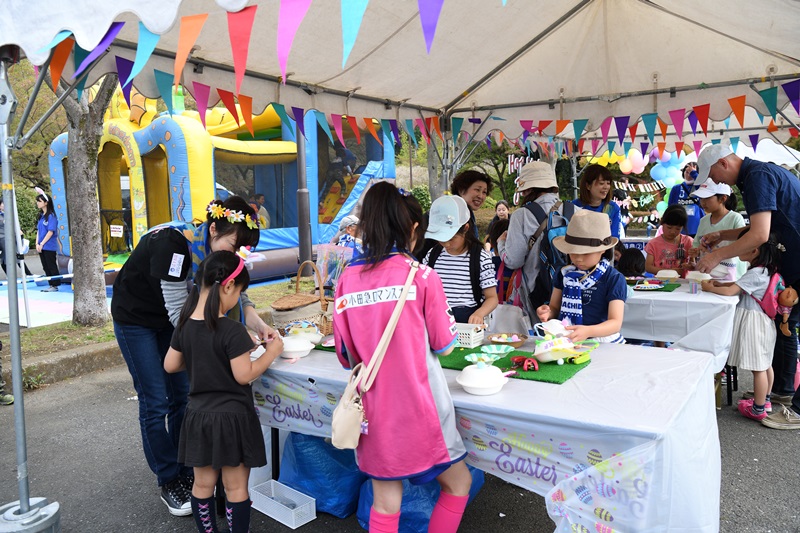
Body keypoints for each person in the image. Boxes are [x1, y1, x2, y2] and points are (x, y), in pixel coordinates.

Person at [111, 195, 279, 516]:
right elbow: (180, 315)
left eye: (241, 250)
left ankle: (189, 468)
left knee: (183, 396)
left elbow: (234, 292)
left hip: (174, 319)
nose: (235, 255)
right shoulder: (174, 246)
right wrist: (225, 341)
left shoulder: (219, 252)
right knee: (155, 400)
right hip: (137, 318)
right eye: (233, 246)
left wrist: (256, 323)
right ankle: (169, 478)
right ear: (213, 229)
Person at [334, 182, 472, 533]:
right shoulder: (422, 276)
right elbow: (445, 345)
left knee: (385, 503)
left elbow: (346, 356)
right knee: (458, 484)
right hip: (423, 410)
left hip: (374, 411)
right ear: (412, 228)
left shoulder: (346, 280)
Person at [164, 251, 284, 533]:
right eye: (240, 291)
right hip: (233, 420)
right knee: (235, 488)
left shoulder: (185, 325)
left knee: (202, 485)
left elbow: (170, 365)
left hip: (199, 418)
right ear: (228, 286)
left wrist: (206, 357)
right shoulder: (232, 330)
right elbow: (244, 375)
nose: (237, 298)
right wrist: (272, 352)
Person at [694, 144, 800, 430]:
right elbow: (761, 227)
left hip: (796, 260)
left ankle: (795, 408)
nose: (715, 181)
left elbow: (760, 234)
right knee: (786, 328)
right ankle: (782, 392)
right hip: (791, 262)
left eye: (713, 174)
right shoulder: (757, 174)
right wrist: (722, 235)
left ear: (724, 163)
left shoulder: (757, 176)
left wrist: (716, 255)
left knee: (789, 329)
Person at [700, 231, 784, 421]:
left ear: (754, 250)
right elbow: (739, 285)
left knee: (758, 368)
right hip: (765, 322)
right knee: (765, 363)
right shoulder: (766, 270)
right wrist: (719, 284)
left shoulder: (755, 272)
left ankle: (758, 409)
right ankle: (765, 400)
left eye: (742, 244)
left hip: (754, 323)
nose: (738, 248)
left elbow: (731, 291)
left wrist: (710, 287)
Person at [535, 209, 627, 344]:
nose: (578, 258)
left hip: (601, 342)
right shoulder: (564, 274)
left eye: (585, 253)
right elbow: (555, 307)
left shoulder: (613, 279)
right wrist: (547, 312)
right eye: (573, 252)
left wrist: (588, 331)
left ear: (603, 249)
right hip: (567, 339)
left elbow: (615, 323)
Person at [497, 161, 569, 319]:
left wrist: (501, 243)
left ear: (528, 189)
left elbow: (514, 261)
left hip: (537, 294)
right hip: (572, 292)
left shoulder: (521, 215)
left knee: (540, 333)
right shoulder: (574, 210)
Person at [423, 195, 498, 324]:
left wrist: (479, 314)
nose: (446, 244)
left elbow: (492, 298)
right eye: (441, 238)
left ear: (465, 229)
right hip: (437, 321)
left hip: (466, 322)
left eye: (451, 239)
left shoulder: (480, 258)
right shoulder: (432, 255)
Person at [687, 180, 746, 280]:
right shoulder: (703, 221)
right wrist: (696, 252)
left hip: (731, 277)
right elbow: (696, 245)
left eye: (707, 198)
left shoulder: (735, 218)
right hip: (706, 276)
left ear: (722, 198)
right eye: (701, 198)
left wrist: (715, 252)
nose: (703, 202)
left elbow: (743, 245)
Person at [572, 164, 622, 239]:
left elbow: (615, 238)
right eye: (601, 183)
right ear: (588, 186)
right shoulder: (574, 207)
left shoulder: (613, 208)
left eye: (608, 183)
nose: (606, 187)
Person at [643, 204, 693, 275]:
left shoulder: (688, 242)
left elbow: (693, 265)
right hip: (660, 281)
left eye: (678, 229)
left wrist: (690, 266)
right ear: (662, 222)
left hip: (683, 281)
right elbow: (648, 267)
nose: (672, 232)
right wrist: (670, 272)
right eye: (669, 227)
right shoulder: (653, 244)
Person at [450, 169, 492, 240]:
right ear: (462, 190)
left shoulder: (467, 212)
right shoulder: (452, 213)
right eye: (477, 190)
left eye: (484, 192)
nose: (480, 196)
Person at [667, 161, 705, 237]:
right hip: (680, 226)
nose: (688, 175)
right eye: (687, 172)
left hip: (697, 227)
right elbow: (671, 207)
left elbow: (703, 186)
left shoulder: (700, 187)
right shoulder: (676, 188)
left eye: (691, 173)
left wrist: (694, 174)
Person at [34, 189, 59, 292]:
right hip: (41, 246)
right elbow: (39, 231)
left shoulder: (51, 216)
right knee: (45, 266)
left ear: (46, 203)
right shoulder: (41, 216)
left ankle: (55, 285)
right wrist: (37, 243)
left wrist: (42, 243)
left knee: (51, 265)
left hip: (49, 246)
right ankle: (50, 284)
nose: (37, 203)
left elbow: (50, 232)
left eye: (39, 201)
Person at [0, 197, 32, 277]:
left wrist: (19, 231)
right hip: (2, 239)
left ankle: (27, 273)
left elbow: (15, 225)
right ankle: (11, 275)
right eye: (3, 203)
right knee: (6, 258)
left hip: (13, 238)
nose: (5, 205)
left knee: (17, 255)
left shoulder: (10, 214)